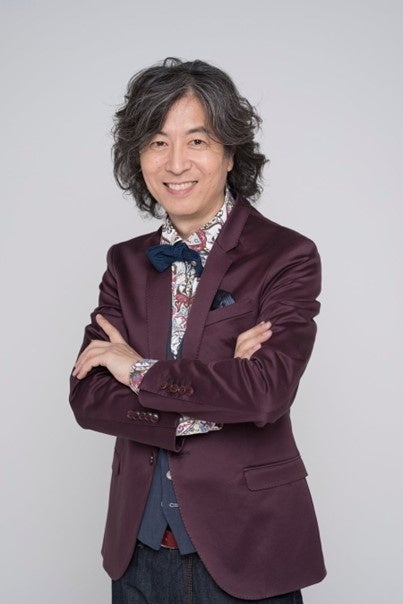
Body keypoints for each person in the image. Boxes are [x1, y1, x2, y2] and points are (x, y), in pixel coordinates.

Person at [70, 57, 326, 603]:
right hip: (137, 554)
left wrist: (136, 370)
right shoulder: (125, 263)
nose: (176, 162)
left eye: (197, 141)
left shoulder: (287, 256)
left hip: (248, 549)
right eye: (157, 142)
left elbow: (265, 394)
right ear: (138, 156)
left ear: (230, 153)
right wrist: (219, 392)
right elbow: (88, 398)